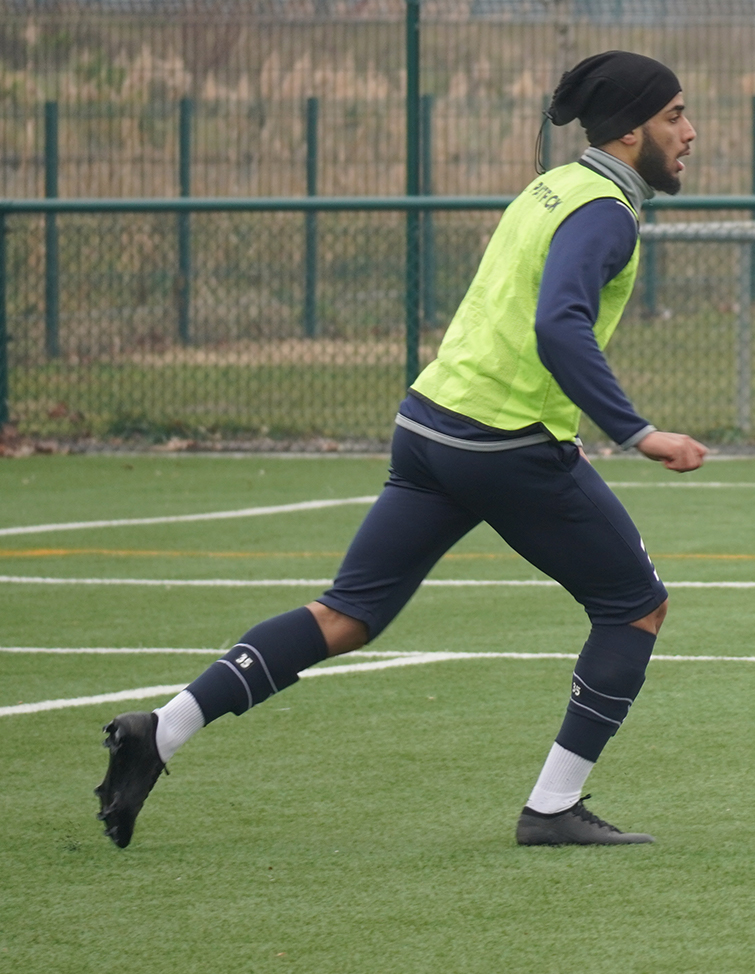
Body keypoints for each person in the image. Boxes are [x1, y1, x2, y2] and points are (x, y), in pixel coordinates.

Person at [94, 51, 707, 849]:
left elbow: (519, 317)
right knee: (635, 607)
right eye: (674, 116)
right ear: (630, 129)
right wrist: (637, 431)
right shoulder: (604, 211)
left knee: (346, 615)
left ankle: (160, 730)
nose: (690, 133)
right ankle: (552, 808)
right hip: (501, 442)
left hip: (431, 427)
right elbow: (559, 324)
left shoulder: (552, 187)